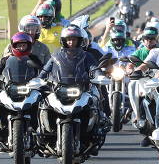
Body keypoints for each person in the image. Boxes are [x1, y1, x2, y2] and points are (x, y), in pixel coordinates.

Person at [38, 25, 108, 155]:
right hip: (59, 89)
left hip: (81, 89)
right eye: (69, 39)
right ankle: (44, 132)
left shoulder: (86, 56)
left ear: (79, 40)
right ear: (64, 40)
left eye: (74, 39)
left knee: (94, 101)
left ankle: (94, 131)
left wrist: (99, 76)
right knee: (44, 103)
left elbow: (93, 68)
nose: (71, 42)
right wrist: (39, 80)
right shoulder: (55, 56)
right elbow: (45, 71)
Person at [0, 32, 44, 143]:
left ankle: (42, 125)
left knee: (44, 94)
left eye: (24, 45)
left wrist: (45, 79)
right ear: (13, 46)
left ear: (29, 46)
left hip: (30, 87)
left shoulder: (34, 58)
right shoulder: (6, 59)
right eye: (19, 45)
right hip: (11, 86)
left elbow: (43, 70)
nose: (21, 47)